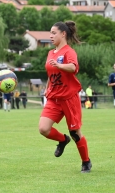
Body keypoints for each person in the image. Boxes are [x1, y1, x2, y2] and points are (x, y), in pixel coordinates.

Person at [38, 21, 91, 173]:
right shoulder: (50, 53)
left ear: (63, 34)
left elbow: (73, 67)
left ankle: (86, 162)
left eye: (54, 33)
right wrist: (47, 88)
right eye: (50, 33)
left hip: (69, 98)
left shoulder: (69, 52)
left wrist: (60, 65)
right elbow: (50, 73)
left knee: (75, 132)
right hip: (54, 98)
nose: (50, 36)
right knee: (43, 129)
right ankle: (63, 140)